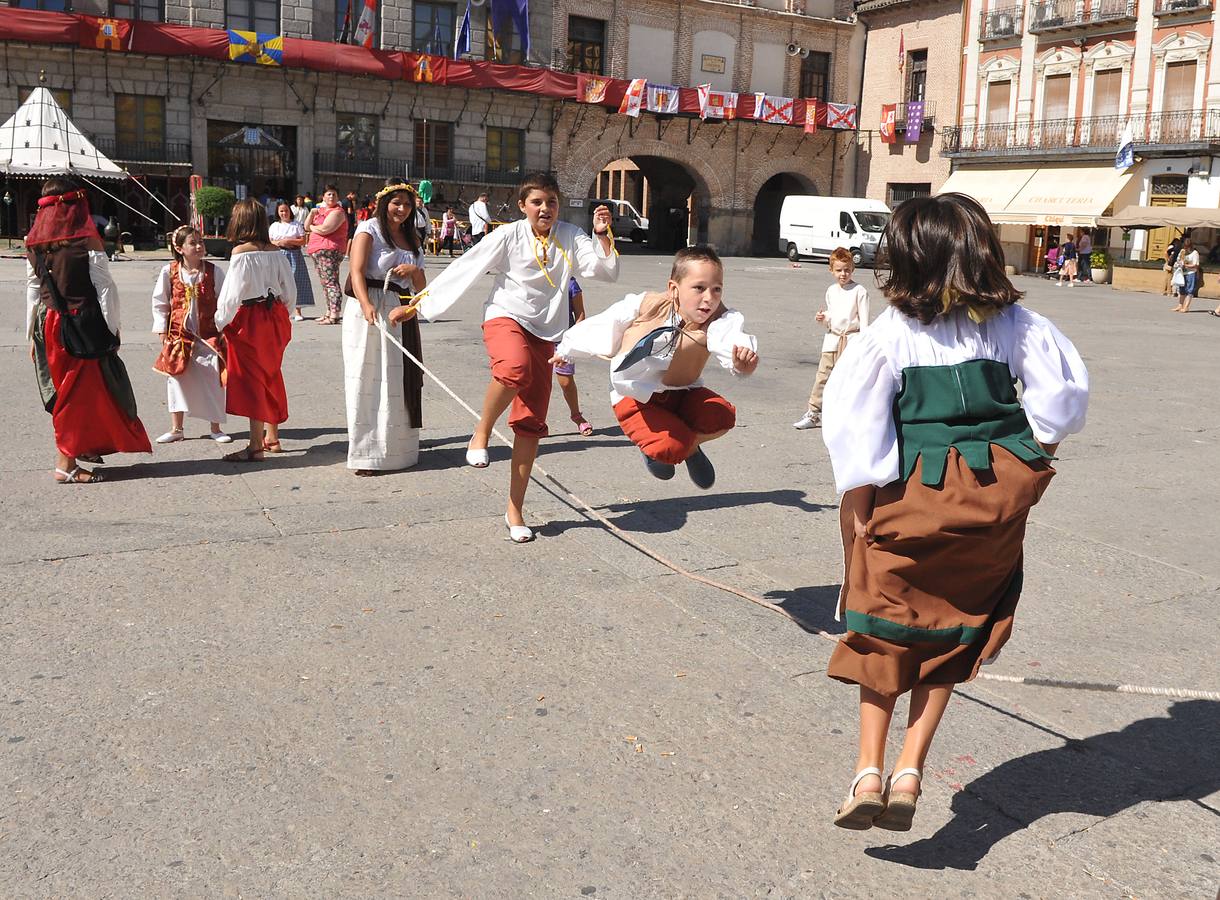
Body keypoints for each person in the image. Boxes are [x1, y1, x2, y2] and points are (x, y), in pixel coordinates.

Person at [821, 194, 1088, 832]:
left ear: (908, 261)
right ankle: (912, 770)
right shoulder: (1015, 325)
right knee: (954, 629)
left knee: (883, 627)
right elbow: (1062, 400)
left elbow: (857, 440)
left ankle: (867, 769)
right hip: (993, 503)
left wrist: (856, 522)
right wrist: (1022, 466)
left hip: (910, 500)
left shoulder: (888, 337)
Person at [391, 173, 618, 543]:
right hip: (505, 316)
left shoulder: (571, 235)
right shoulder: (509, 234)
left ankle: (515, 509)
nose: (546, 209)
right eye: (538, 202)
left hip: (548, 332)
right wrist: (417, 305)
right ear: (523, 206)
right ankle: (480, 434)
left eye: (552, 202)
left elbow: (603, 270)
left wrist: (601, 233)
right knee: (513, 368)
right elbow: (467, 267)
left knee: (531, 423)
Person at [552, 246, 758, 489]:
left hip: (681, 391)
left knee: (721, 416)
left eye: (717, 289)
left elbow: (732, 338)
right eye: (699, 288)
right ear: (674, 288)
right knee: (670, 448)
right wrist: (566, 349)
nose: (709, 298)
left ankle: (687, 445)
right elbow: (607, 322)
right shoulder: (647, 304)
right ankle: (671, 447)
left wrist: (742, 360)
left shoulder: (719, 318)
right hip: (635, 397)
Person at [25, 178, 151, 483]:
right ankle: (64, 463)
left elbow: (32, 288)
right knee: (76, 393)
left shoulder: (35, 243)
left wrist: (30, 334)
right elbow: (105, 289)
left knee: (66, 390)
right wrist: (113, 330)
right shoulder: (87, 243)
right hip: (81, 325)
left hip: (48, 322)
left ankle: (80, 448)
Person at [344, 181, 428, 475]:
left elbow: (422, 288)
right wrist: (366, 304)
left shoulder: (413, 239)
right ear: (384, 204)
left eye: (407, 204)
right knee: (367, 378)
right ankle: (368, 453)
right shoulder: (369, 229)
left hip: (398, 309)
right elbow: (356, 270)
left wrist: (415, 273)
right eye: (397, 203)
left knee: (396, 379)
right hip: (369, 305)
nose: (402, 210)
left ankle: (397, 450)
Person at [214, 199, 295, 462]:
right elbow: (289, 290)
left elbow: (230, 295)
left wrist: (220, 322)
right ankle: (272, 437)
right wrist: (285, 315)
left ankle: (254, 445)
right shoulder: (277, 252)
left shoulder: (241, 253)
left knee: (252, 379)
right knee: (271, 372)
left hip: (250, 318)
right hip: (275, 315)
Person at [151, 225, 230, 445]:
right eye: (193, 243)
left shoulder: (214, 271)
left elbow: (224, 302)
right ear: (179, 248)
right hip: (179, 335)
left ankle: (216, 427)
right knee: (177, 379)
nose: (199, 246)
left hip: (208, 335)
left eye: (201, 242)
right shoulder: (170, 271)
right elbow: (160, 302)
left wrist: (223, 328)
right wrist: (161, 330)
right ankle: (177, 428)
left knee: (213, 379)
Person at [794, 247, 870, 430]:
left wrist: (865, 345)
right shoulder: (831, 291)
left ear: (853, 269)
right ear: (831, 270)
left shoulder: (860, 291)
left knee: (850, 380)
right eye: (839, 270)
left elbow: (865, 321)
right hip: (832, 341)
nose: (843, 274)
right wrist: (824, 318)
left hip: (851, 342)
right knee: (822, 377)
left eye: (847, 269)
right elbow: (833, 317)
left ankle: (850, 415)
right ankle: (813, 414)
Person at [553, 278, 593, 436]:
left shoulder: (571, 284)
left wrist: (573, 340)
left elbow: (580, 314)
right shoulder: (536, 277)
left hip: (563, 340)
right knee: (536, 383)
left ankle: (576, 416)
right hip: (538, 337)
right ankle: (535, 420)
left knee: (566, 381)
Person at [306, 184, 349, 325]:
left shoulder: (338, 212)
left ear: (338, 197)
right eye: (328, 194)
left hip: (329, 250)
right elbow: (305, 226)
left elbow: (326, 229)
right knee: (325, 283)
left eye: (334, 194)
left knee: (331, 282)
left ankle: (334, 314)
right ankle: (328, 312)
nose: (331, 197)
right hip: (318, 250)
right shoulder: (321, 211)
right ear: (323, 197)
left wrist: (313, 228)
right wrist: (312, 214)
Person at [270, 201, 314, 322]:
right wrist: (280, 243)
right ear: (278, 213)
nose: (284, 213)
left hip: (294, 255)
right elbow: (269, 241)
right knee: (279, 281)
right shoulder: (274, 226)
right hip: (279, 254)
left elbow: (303, 241)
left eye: (286, 210)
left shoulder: (296, 225)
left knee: (297, 281)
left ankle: (298, 310)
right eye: (281, 211)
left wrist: (289, 241)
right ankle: (280, 310)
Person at [1174, 237, 1200, 312]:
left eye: (1187, 247)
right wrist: (1179, 264)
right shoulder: (1182, 251)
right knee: (1182, 289)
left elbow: (1196, 264)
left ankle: (1186, 307)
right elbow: (1178, 260)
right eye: (1184, 246)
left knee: (1190, 290)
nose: (1185, 248)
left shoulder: (1195, 253)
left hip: (1191, 273)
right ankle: (1180, 305)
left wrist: (1186, 265)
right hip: (1183, 272)